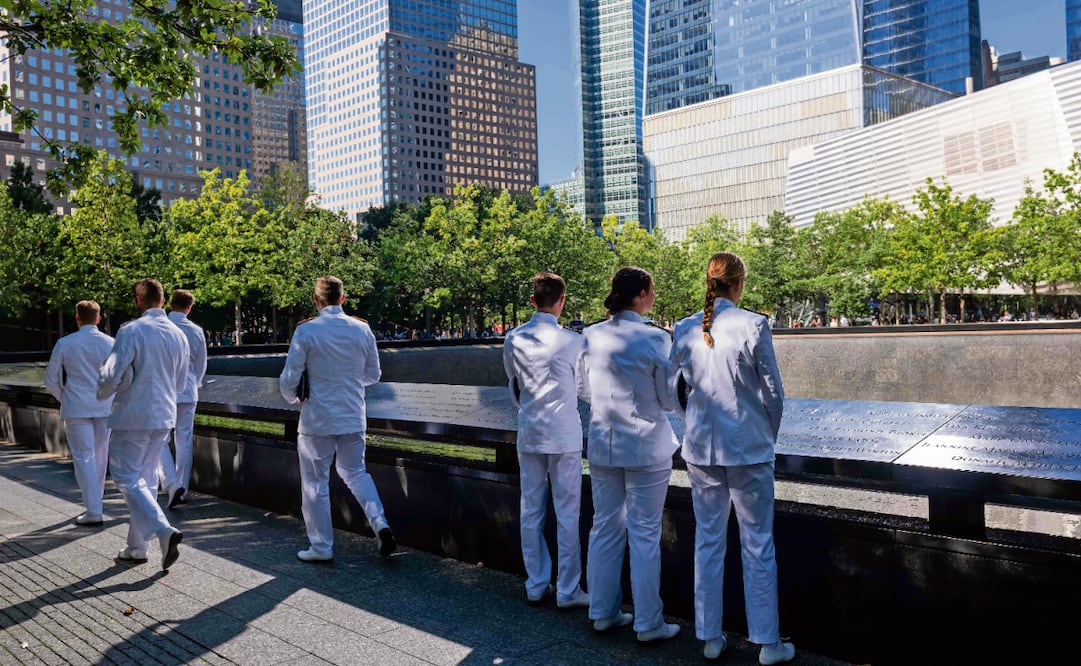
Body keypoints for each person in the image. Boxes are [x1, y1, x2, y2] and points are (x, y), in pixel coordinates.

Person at [669, 252, 795, 664]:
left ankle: (708, 636)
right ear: (738, 284)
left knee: (708, 541)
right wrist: (765, 435)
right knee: (758, 543)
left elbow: (676, 389)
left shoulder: (685, 327)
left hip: (702, 449)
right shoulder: (754, 324)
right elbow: (773, 394)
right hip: (748, 449)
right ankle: (767, 642)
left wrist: (694, 423)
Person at [577, 266, 680, 643]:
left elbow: (582, 388)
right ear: (640, 294)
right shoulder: (655, 339)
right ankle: (648, 621)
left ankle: (603, 611)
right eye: (651, 289)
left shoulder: (589, 335)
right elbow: (669, 400)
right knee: (644, 533)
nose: (653, 295)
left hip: (603, 443)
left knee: (604, 527)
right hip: (645, 446)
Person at [279, 276, 396, 562]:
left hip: (317, 419)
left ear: (316, 301)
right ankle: (379, 522)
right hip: (353, 415)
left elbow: (290, 376)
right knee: (356, 473)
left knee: (315, 483)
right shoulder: (362, 329)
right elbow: (373, 374)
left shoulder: (306, 331)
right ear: (343, 298)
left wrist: (292, 396)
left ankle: (321, 547)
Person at [502, 272, 588, 609]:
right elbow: (584, 387)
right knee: (568, 513)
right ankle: (568, 589)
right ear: (562, 300)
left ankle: (536, 583)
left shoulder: (513, 338)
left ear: (533, 301)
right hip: (565, 434)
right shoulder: (574, 341)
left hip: (530, 432)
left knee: (531, 509)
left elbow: (514, 381)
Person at [97, 279, 188, 571]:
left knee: (126, 477)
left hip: (133, 414)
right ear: (162, 300)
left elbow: (111, 374)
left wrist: (104, 394)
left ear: (139, 300)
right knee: (145, 480)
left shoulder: (131, 330)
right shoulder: (178, 335)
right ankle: (137, 547)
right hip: (164, 414)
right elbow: (181, 382)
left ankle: (162, 530)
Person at [44, 300, 115, 526]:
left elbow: (51, 379)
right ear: (99, 318)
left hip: (76, 407)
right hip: (104, 406)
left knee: (84, 457)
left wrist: (65, 397)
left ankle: (93, 508)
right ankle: (96, 503)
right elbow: (119, 377)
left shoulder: (65, 343)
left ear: (77, 318)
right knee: (101, 455)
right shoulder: (111, 343)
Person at [158, 289, 207, 510]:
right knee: (184, 438)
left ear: (170, 304)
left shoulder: (161, 327)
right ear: (189, 307)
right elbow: (201, 365)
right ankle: (182, 487)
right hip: (188, 390)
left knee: (159, 438)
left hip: (164, 390)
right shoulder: (196, 330)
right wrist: (193, 383)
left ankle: (169, 482)